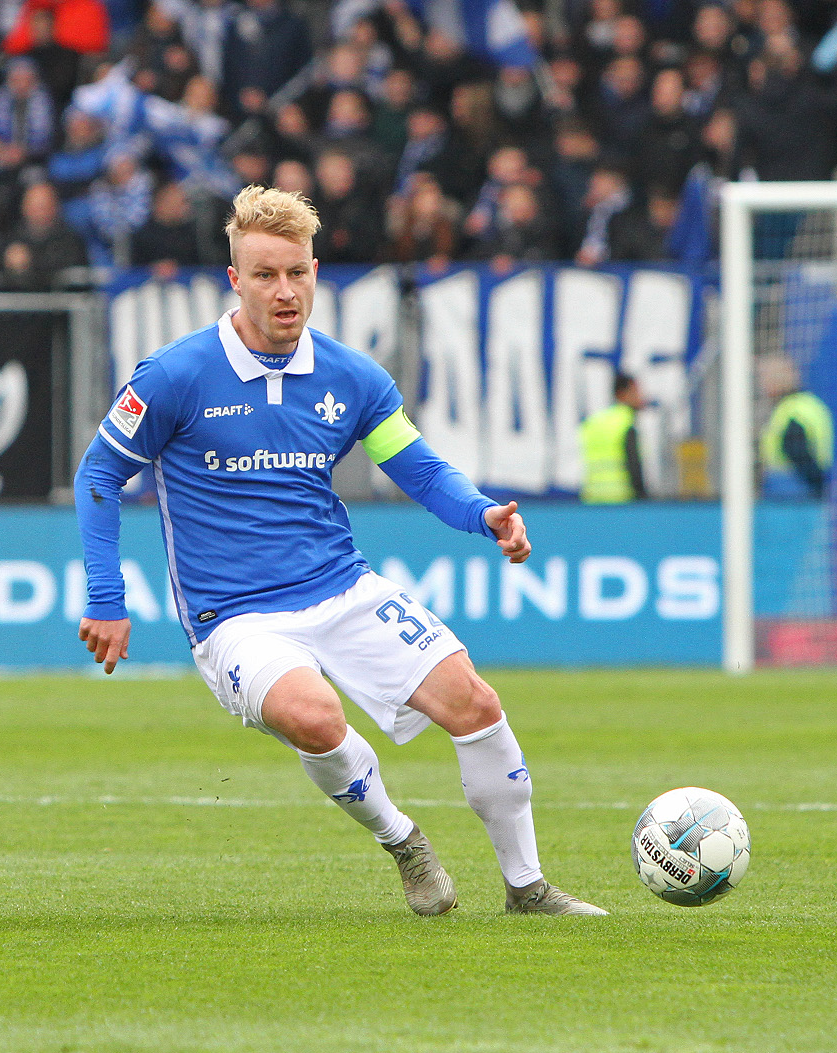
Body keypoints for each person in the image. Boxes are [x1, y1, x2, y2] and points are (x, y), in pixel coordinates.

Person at [73, 185, 606, 918]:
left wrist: (486, 514)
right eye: (265, 275)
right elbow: (100, 473)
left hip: (341, 588)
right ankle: (404, 843)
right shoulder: (173, 376)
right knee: (316, 716)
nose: (285, 291)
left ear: (316, 272)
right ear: (235, 280)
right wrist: (107, 596)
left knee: (475, 703)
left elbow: (418, 469)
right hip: (234, 618)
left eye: (298, 273)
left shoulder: (351, 377)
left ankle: (528, 887)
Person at [759, 356, 832, 499]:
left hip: (792, 493)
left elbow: (797, 451)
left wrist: (815, 485)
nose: (763, 386)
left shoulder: (791, 410)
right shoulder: (811, 404)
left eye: (765, 380)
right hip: (805, 489)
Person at [577, 373, 647, 503]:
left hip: (592, 498)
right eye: (635, 392)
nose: (641, 397)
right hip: (620, 498)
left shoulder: (593, 422)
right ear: (622, 393)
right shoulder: (625, 423)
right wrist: (642, 496)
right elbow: (634, 465)